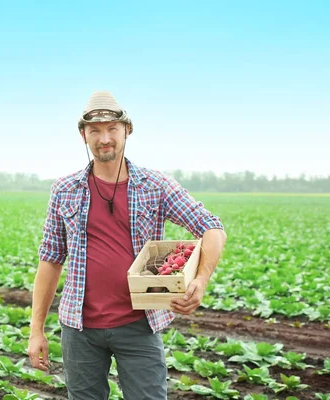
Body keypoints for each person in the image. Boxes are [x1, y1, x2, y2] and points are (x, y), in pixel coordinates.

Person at [27, 90, 227, 399]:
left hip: (139, 324)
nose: (104, 138)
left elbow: (212, 228)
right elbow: (51, 259)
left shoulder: (155, 185)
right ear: (83, 135)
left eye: (112, 129)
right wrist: (36, 329)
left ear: (127, 131)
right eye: (94, 130)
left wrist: (200, 280)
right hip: (79, 329)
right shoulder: (64, 190)